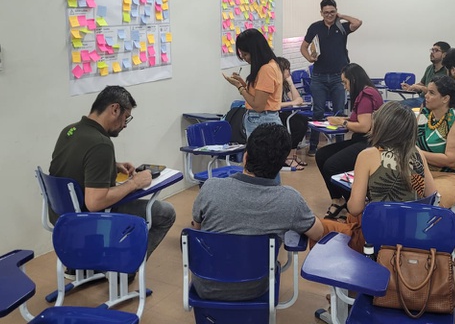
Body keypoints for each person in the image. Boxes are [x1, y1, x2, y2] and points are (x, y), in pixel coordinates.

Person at [191, 123, 325, 301]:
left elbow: (196, 229)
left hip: (206, 285)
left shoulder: (210, 187)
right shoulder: (290, 200)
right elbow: (318, 232)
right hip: (254, 287)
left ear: (245, 157)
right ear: (281, 165)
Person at [49, 85, 176, 260]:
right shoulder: (101, 143)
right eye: (126, 118)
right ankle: (125, 265)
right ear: (115, 109)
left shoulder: (70, 130)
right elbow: (95, 202)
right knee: (165, 213)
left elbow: (75, 163)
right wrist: (135, 183)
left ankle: (88, 262)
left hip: (60, 214)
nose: (125, 125)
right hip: (88, 219)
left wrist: (112, 165)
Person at [313, 102, 438, 253]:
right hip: (413, 234)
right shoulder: (417, 152)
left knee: (318, 227)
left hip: (377, 237)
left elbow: (354, 208)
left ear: (380, 126)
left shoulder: (368, 155)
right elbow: (432, 196)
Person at [316, 63, 383, 219]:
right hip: (361, 140)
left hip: (368, 143)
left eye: (345, 82)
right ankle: (337, 199)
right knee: (322, 155)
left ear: (353, 80)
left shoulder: (366, 95)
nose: (345, 87)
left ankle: (353, 202)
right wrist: (343, 120)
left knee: (332, 165)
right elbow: (361, 119)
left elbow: (364, 126)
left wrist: (343, 123)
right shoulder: (367, 92)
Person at [300, 0, 363, 156]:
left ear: (336, 11)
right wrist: (309, 58)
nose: (329, 15)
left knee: (339, 112)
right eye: (326, 12)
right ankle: (313, 146)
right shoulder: (315, 27)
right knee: (318, 112)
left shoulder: (342, 26)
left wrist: (341, 16)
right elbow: (303, 47)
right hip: (319, 77)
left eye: (332, 12)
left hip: (338, 77)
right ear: (321, 13)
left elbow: (358, 22)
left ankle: (339, 146)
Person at [416, 75, 455, 209]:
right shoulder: (425, 113)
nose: (426, 96)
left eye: (431, 93)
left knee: (432, 198)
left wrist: (416, 152)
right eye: (427, 91)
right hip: (429, 171)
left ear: (445, 99)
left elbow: (451, 160)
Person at [223, 28, 282, 138]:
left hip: (262, 120)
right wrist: (244, 85)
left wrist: (239, 87)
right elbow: (258, 95)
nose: (244, 58)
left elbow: (258, 105)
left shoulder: (266, 69)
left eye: (245, 54)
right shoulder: (270, 65)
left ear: (255, 51)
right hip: (262, 119)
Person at [276, 57, 310, 170]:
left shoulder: (285, 84)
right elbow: (274, 104)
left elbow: (297, 99)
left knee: (304, 121)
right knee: (297, 125)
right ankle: (288, 157)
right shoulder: (274, 84)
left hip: (285, 113)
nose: (289, 72)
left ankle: (293, 154)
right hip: (275, 114)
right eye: (287, 69)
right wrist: (292, 103)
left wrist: (290, 82)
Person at [401, 41, 451, 108]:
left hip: (433, 101)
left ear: (444, 54)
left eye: (436, 50)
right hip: (422, 98)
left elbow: (438, 93)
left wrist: (420, 88)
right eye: (432, 50)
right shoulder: (429, 68)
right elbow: (422, 83)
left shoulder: (447, 71)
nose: (432, 53)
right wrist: (411, 87)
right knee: (397, 105)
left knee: (401, 106)